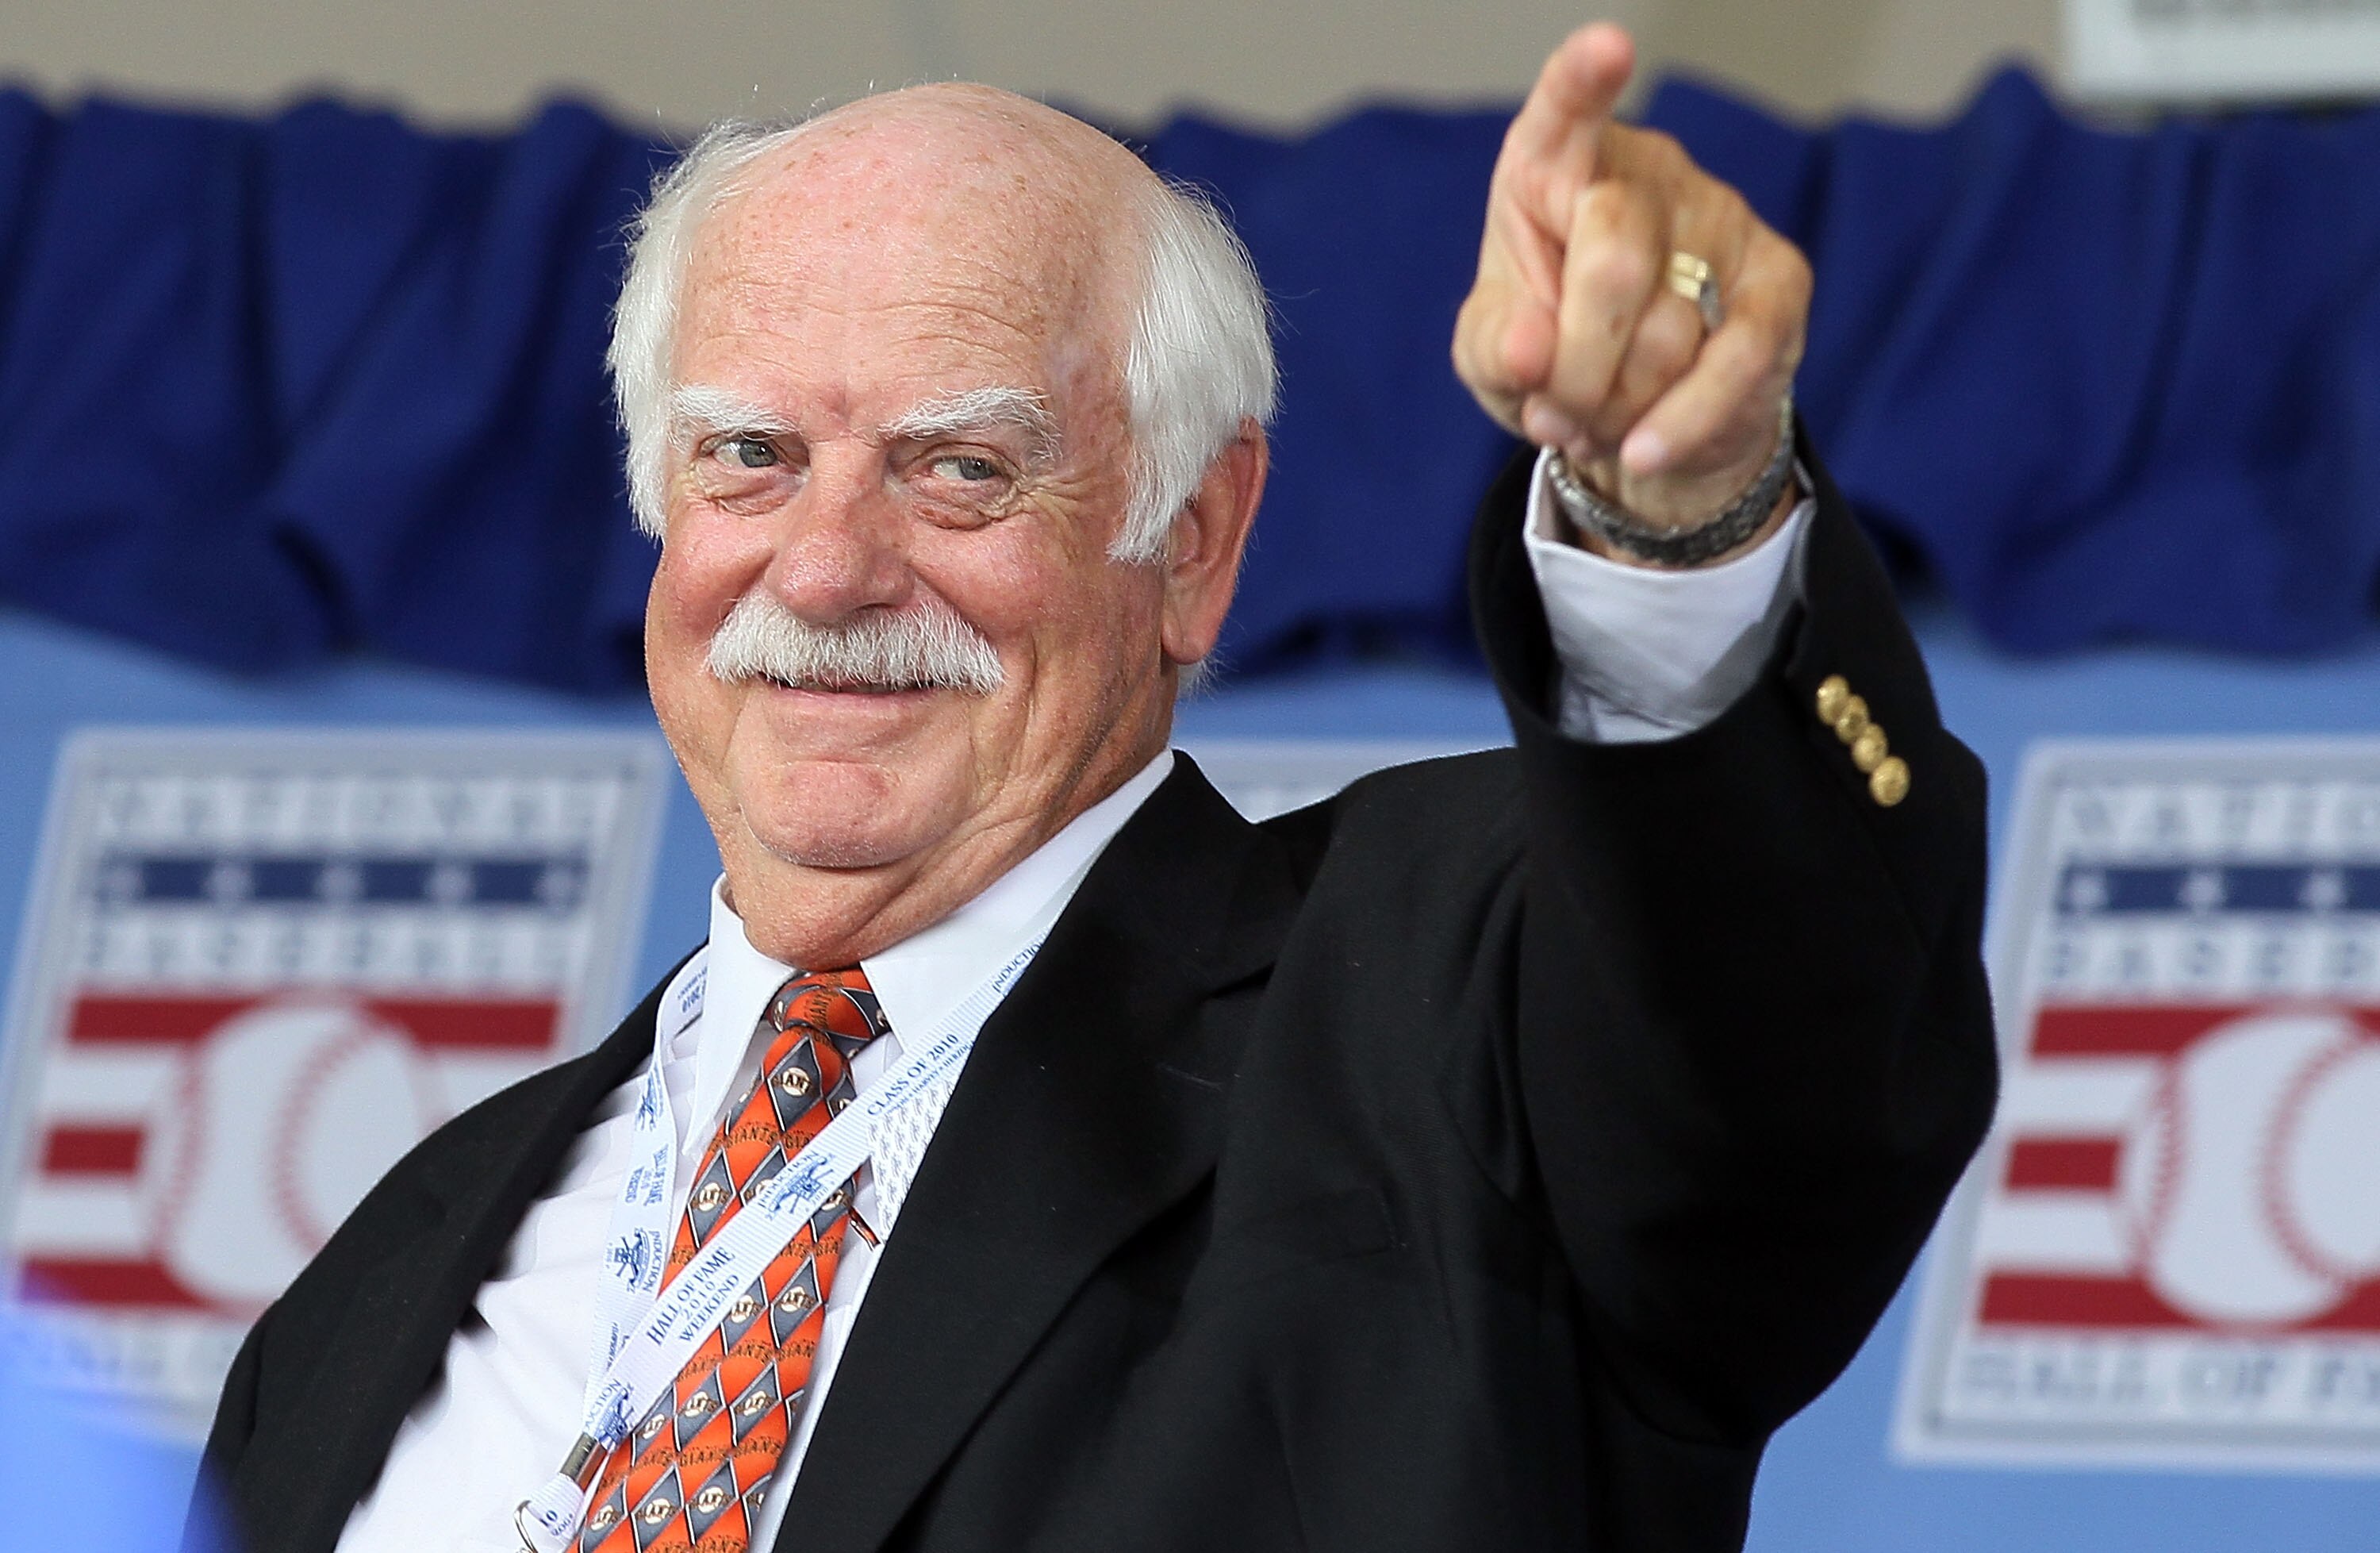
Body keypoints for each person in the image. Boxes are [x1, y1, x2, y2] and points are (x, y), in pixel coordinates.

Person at [193, 23, 1994, 1553]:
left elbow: (1782, 1047)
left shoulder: (1449, 1037)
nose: (825, 571)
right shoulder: (379, 1283)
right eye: (747, 457)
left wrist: (1678, 511)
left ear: (1194, 541)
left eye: (961, 468)